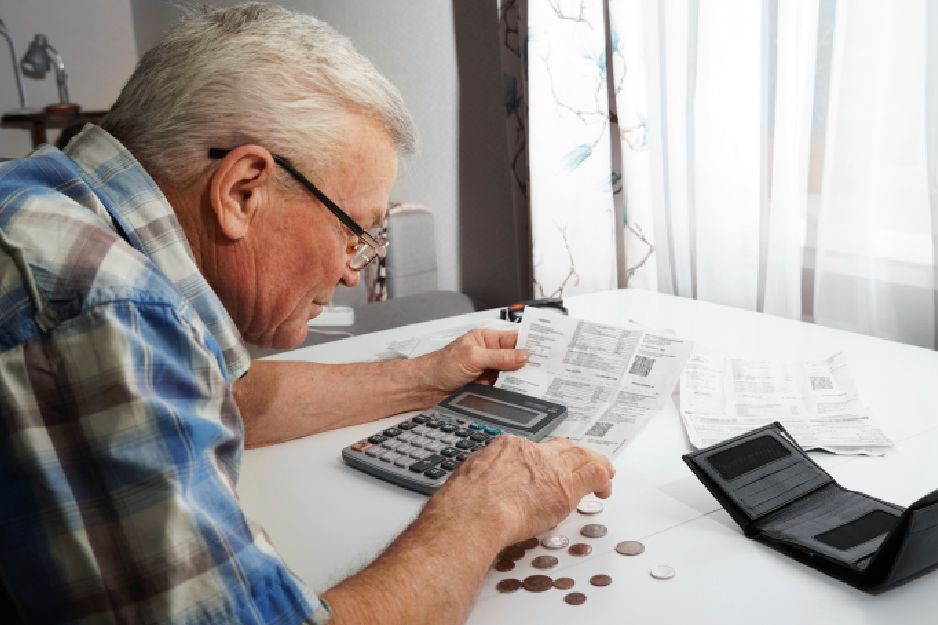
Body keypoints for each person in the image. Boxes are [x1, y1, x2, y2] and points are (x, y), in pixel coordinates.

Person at [0, 3, 614, 625]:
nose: (353, 272)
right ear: (243, 192)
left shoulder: (42, 201)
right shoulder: (101, 310)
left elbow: (217, 393)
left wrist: (427, 375)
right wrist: (486, 508)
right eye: (355, 233)